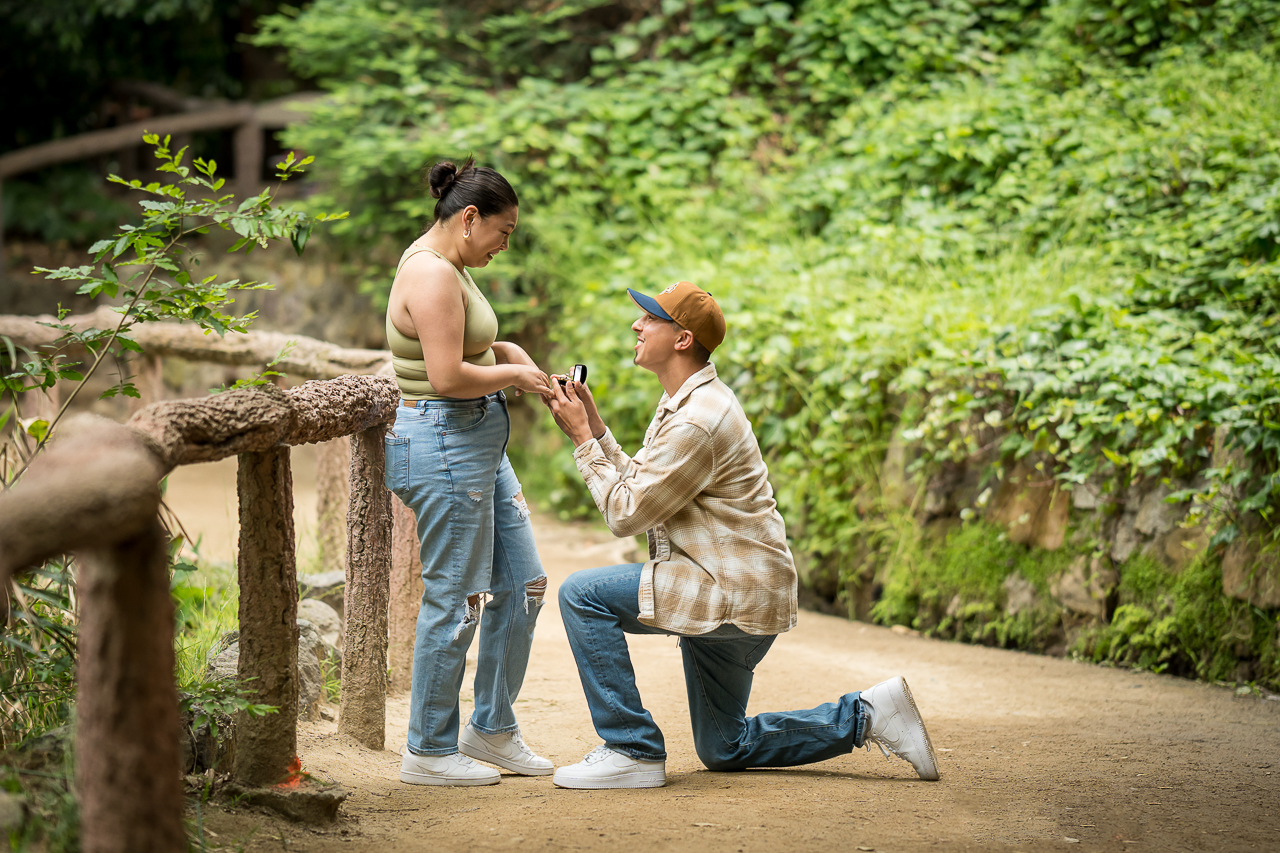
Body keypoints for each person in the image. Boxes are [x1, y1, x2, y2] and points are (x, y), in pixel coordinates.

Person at [540, 281, 940, 789]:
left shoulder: (700, 420)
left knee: (582, 595)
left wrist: (580, 440)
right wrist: (595, 429)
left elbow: (625, 512)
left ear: (682, 339)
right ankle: (867, 714)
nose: (636, 325)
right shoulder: (690, 404)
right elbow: (647, 489)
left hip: (727, 592)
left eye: (650, 318)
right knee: (724, 747)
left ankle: (631, 749)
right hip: (741, 591)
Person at [385, 158, 555, 786]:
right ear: (470, 218)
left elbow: (468, 346)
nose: (505, 245)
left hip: (477, 444)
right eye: (503, 232)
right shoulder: (430, 274)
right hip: (443, 442)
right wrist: (513, 376)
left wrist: (511, 355)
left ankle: (491, 729)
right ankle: (428, 750)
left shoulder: (452, 263)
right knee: (455, 599)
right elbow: (446, 375)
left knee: (524, 585)